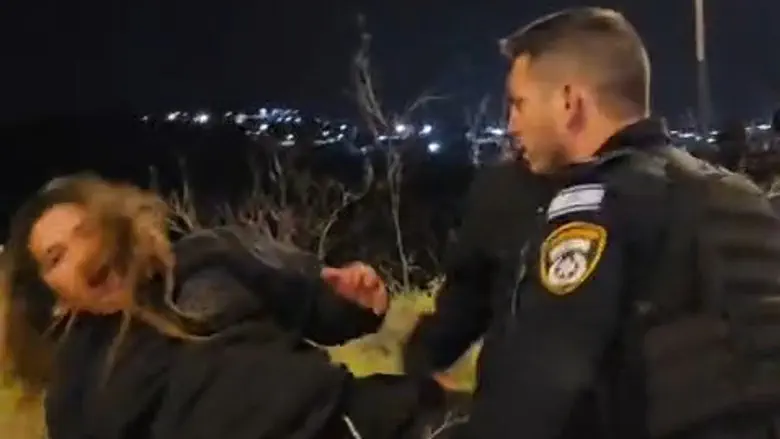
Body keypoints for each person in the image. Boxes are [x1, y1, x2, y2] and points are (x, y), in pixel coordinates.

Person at [340, 7, 780, 439]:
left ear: (570, 102)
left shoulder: (595, 208)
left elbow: (540, 400)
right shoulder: (739, 196)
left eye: (520, 103)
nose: (512, 124)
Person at [0, 174, 444, 439]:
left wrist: (357, 298)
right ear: (52, 292)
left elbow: (322, 309)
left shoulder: (206, 256)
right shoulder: (76, 383)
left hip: (343, 419)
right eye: (56, 257)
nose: (82, 254)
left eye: (85, 231)